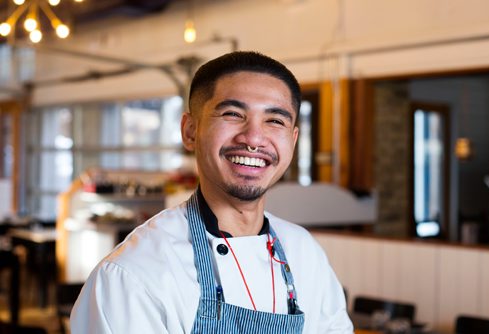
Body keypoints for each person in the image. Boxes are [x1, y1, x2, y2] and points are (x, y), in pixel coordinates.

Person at [70, 51, 353, 333]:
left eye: (275, 120)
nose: (254, 138)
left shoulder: (304, 253)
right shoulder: (133, 275)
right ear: (190, 131)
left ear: (293, 140)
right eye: (232, 114)